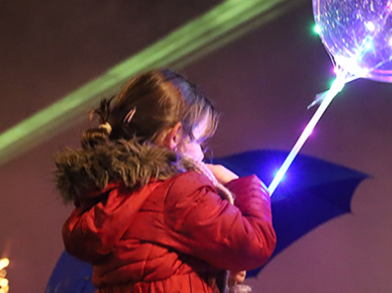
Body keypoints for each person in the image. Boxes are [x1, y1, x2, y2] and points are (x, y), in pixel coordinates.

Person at [54, 69, 276, 293]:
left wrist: (217, 269)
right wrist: (238, 183)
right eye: (198, 140)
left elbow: (162, 262)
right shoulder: (179, 192)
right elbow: (254, 244)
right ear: (175, 136)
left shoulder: (111, 195)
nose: (202, 153)